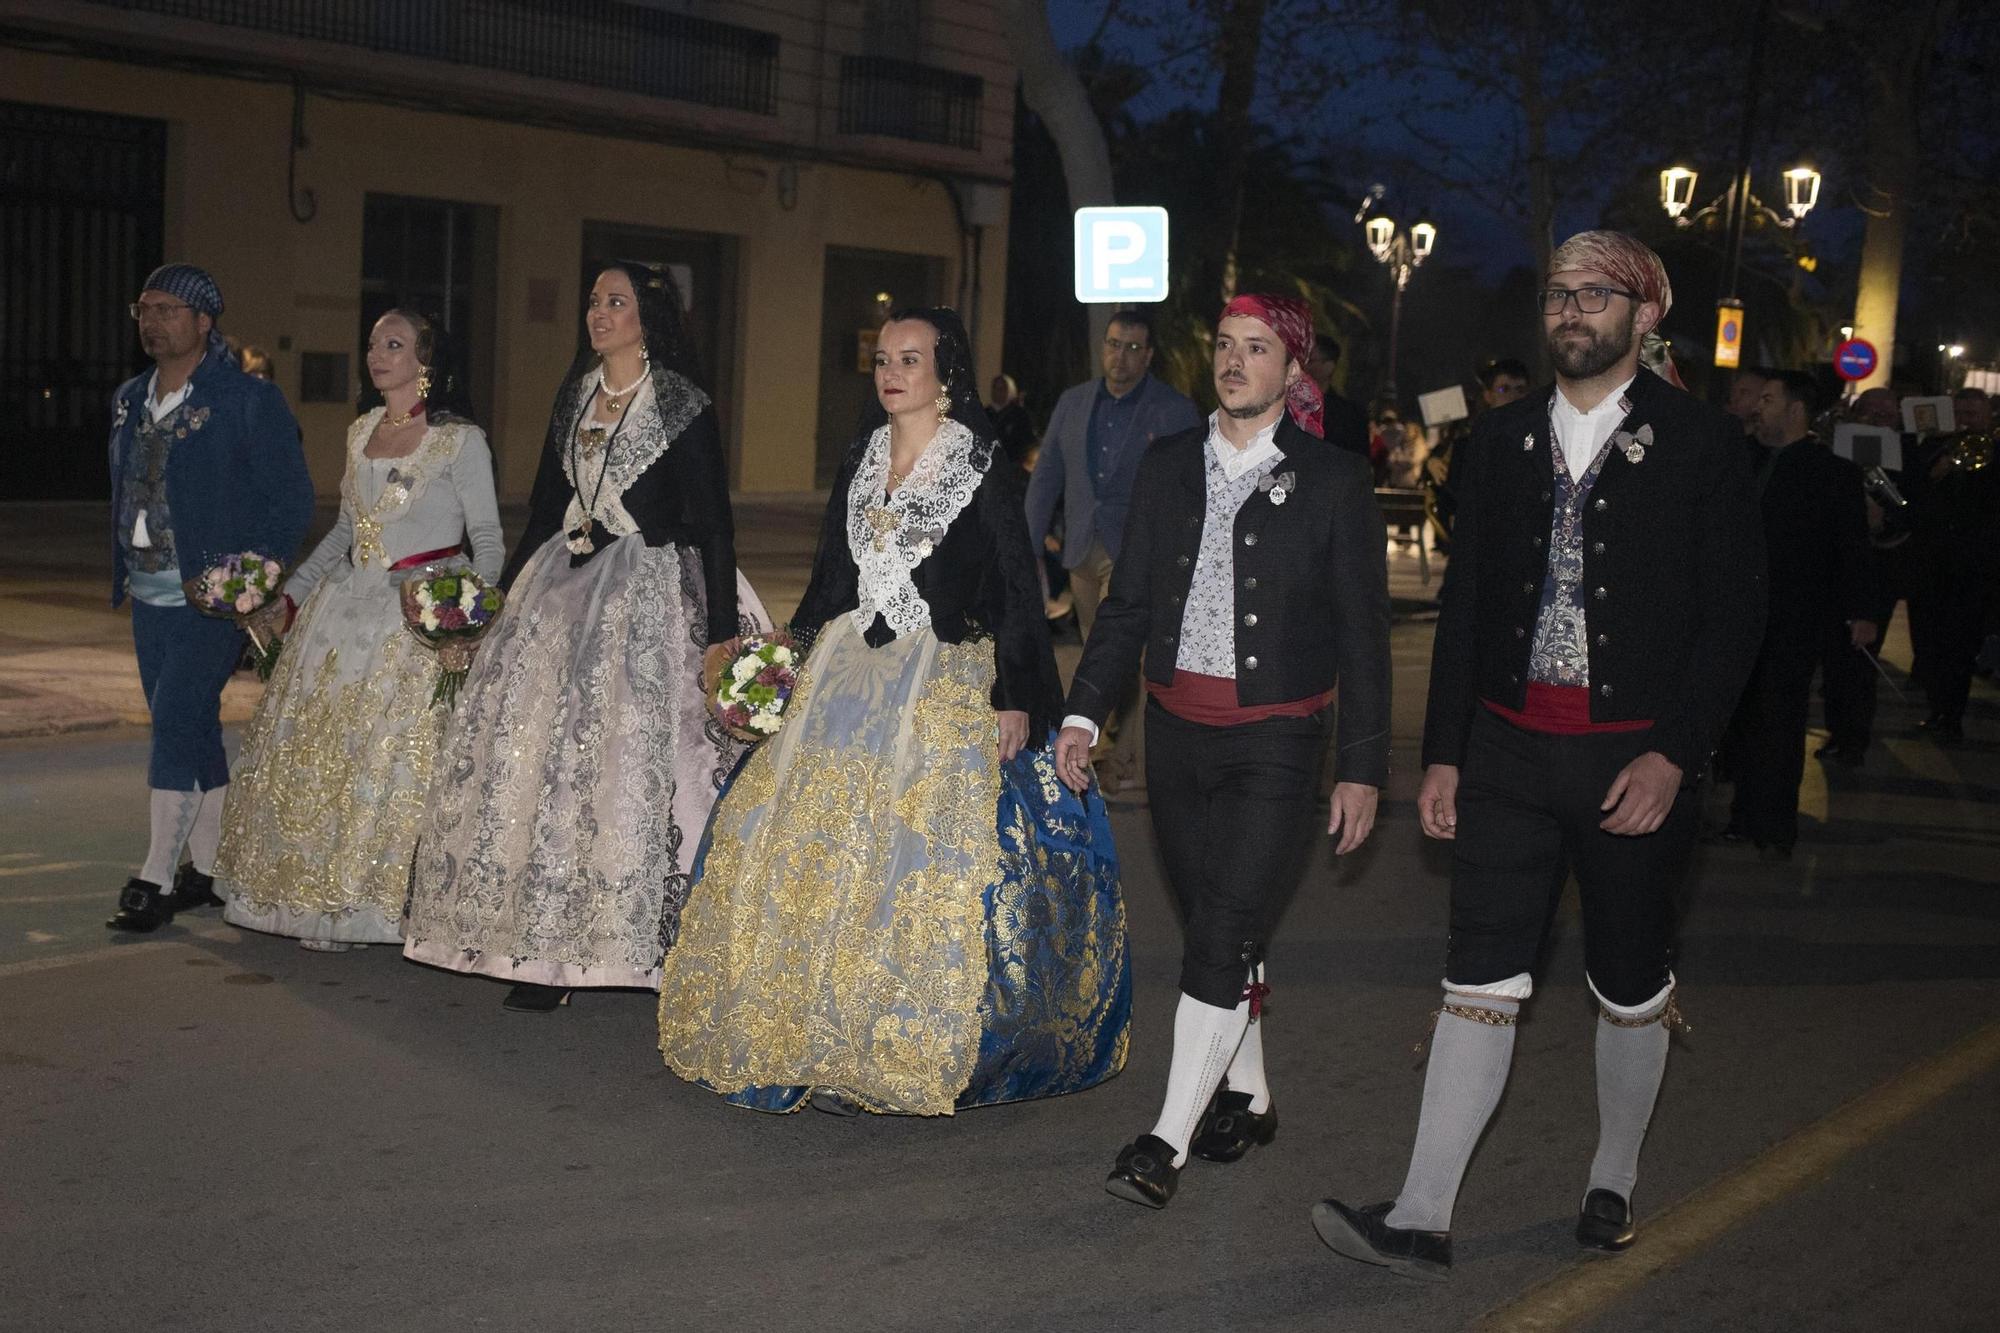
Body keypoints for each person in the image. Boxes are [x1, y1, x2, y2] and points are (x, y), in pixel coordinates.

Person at [1312, 232, 1765, 1277]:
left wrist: (1673, 756)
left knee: (1627, 980)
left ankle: (1610, 1178)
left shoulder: (1697, 444)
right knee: (1477, 974)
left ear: (1643, 315)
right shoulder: (1500, 441)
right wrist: (1444, 755)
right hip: (1509, 756)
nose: (1569, 311)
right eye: (1558, 293)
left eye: (1593, 295)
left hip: (1630, 763)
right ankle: (1419, 1213)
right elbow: (1467, 608)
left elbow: (1733, 616)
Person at [657, 307, 1130, 1115]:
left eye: (910, 358)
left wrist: (1015, 696)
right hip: (848, 668)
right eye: (882, 358)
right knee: (806, 842)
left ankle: (890, 1033)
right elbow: (830, 581)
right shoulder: (862, 456)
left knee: (910, 853)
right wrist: (785, 658)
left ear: (945, 372)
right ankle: (804, 1026)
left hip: (941, 669)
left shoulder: (981, 464)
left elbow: (1018, 593)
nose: (891, 371)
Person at [1057, 293, 1391, 1209]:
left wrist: (1361, 766)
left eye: (1256, 349)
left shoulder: (1331, 480)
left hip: (1278, 741)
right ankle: (1250, 1090)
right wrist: (1085, 713)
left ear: (1293, 372)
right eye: (1224, 345)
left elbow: (1364, 635)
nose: (1235, 362)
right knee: (1222, 922)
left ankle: (1165, 1139)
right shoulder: (1170, 467)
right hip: (1176, 733)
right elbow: (1125, 609)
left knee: (1216, 930)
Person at [403, 262, 767, 1010]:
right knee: (540, 758)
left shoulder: (678, 402)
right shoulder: (577, 395)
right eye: (594, 301)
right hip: (562, 589)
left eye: (616, 302)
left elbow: (714, 522)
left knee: (624, 762)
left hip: (652, 594)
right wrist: (495, 603)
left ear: (648, 317)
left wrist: (721, 638)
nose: (599, 313)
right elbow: (545, 506)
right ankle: (544, 944)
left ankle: (638, 937)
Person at [212, 311, 504, 948]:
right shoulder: (361, 431)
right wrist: (285, 602)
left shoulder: (460, 441)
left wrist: (468, 619)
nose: (377, 355)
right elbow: (344, 537)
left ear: (425, 361)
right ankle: (316, 900)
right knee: (321, 757)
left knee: (389, 763)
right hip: (344, 612)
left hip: (418, 616)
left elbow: (486, 540)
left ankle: (382, 900)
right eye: (373, 343)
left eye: (394, 345)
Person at [105, 264, 314, 933]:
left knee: (173, 716)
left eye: (169, 309)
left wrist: (254, 578)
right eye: (146, 307)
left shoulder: (246, 399)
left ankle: (155, 876)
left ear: (203, 322)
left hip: (213, 596)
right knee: (190, 725)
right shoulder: (129, 397)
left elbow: (291, 500)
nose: (153, 319)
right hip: (148, 591)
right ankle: (213, 867)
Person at [1026, 309, 1202, 789]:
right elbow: (1047, 476)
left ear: (1148, 356)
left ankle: (1117, 755)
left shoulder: (1173, 411)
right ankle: (1114, 744)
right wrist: (1027, 546)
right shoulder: (1075, 402)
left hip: (1141, 553)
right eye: (1112, 344)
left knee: (1122, 653)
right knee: (1099, 653)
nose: (1119, 356)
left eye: (1131, 348)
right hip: (1084, 547)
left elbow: (1194, 486)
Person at [1714, 371, 1873, 860]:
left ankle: (1775, 825)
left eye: (1768, 399)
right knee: (1739, 720)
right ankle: (1741, 817)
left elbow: (1852, 550)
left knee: (1780, 723)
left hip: (1795, 619)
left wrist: (1860, 612)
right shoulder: (1744, 458)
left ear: (1796, 409)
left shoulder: (1833, 473)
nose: (1758, 407)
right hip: (1737, 616)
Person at [1901, 387, 1998, 742]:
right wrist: (1934, 470)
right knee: (1929, 640)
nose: (1967, 422)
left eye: (1974, 415)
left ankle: (1950, 714)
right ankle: (1937, 707)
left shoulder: (1995, 451)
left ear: (1988, 418)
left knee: (1960, 646)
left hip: (1973, 566)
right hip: (1931, 561)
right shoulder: (1932, 447)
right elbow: (1910, 495)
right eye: (1961, 415)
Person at [1426, 358, 1531, 551]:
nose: (1513, 397)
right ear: (1488, 396)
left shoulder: (1545, 441)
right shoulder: (1469, 444)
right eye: (1503, 390)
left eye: (1520, 390)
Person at [1304, 331, 1374, 464]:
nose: (1304, 366)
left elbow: (1358, 459)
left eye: (1310, 361)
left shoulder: (1350, 415)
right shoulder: (1284, 407)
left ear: (1329, 366)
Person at [985, 372, 1037, 468]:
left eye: (1002, 389)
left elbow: (1027, 442)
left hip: (1012, 465)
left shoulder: (1020, 415)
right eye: (995, 388)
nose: (998, 392)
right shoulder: (985, 413)